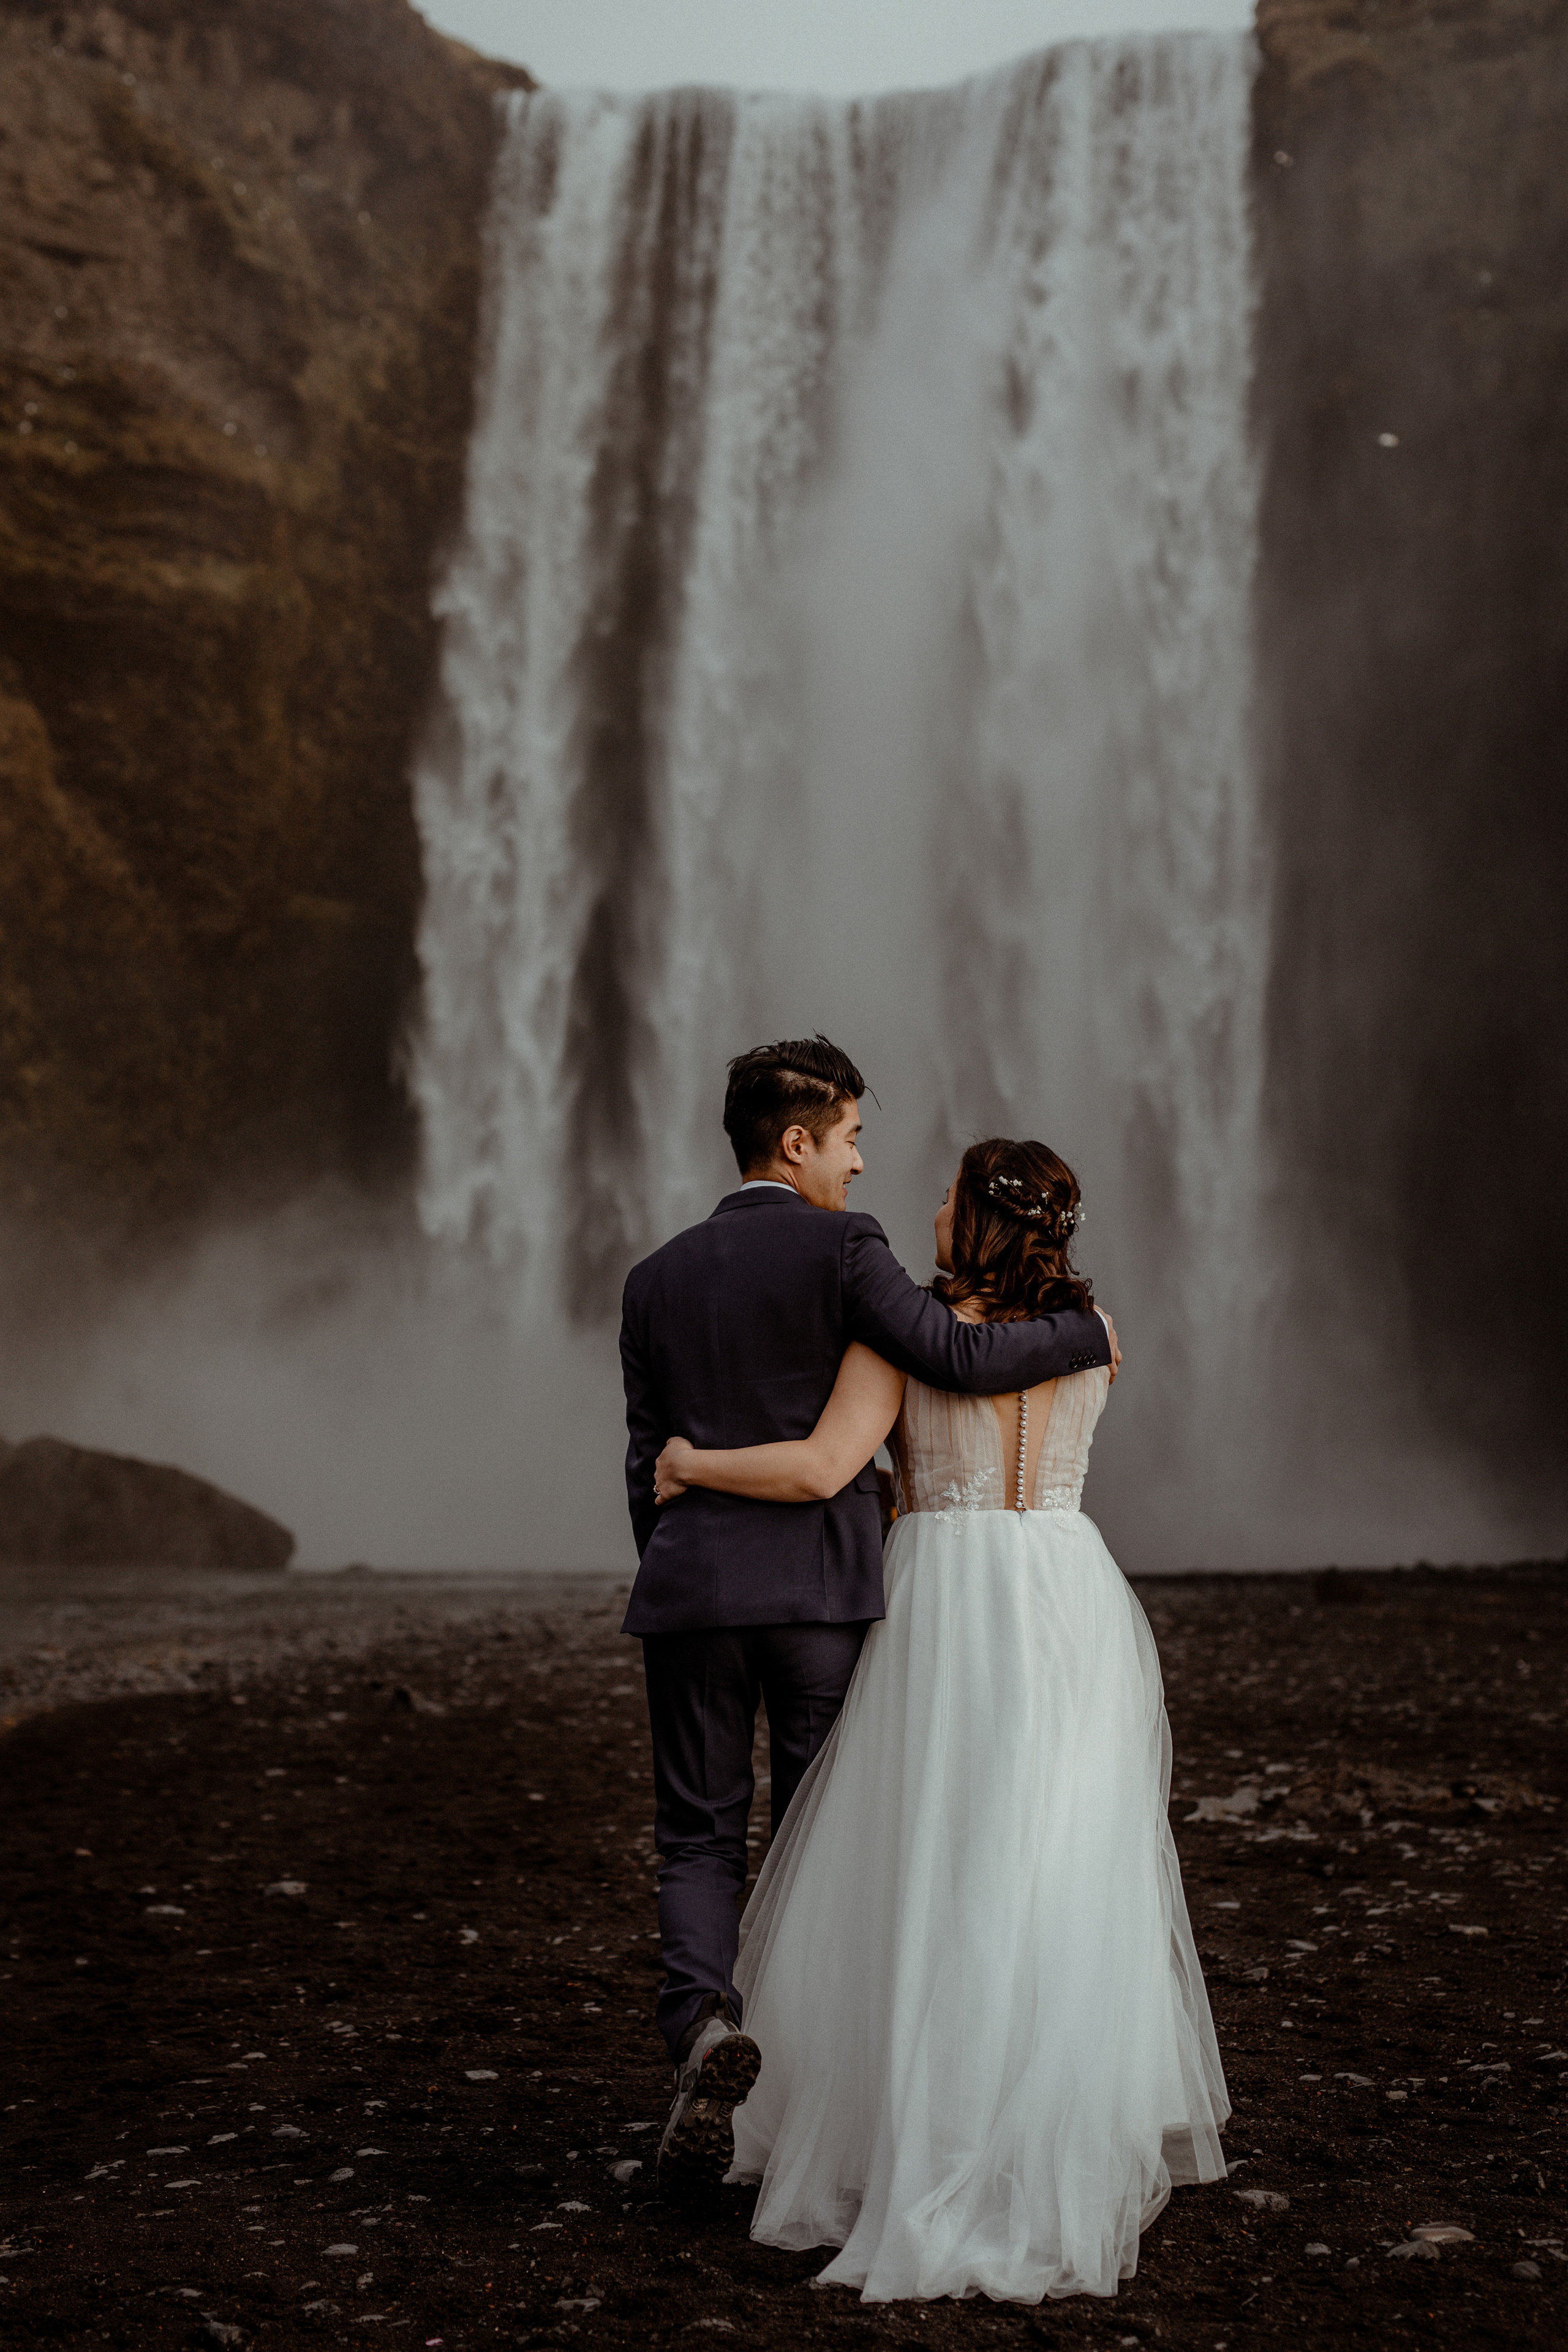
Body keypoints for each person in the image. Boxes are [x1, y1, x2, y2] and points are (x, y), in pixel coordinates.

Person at [652, 1136, 1228, 2303]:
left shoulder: (908, 1334)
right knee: (1051, 1869)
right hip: (1067, 1595)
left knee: (933, 1866)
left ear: (978, 1222)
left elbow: (824, 1469)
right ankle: (1045, 2133)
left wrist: (694, 1463)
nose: (924, 1204)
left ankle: (915, 2132)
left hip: (950, 1602)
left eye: (948, 1196)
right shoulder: (1097, 1336)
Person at [619, 1041, 1119, 2195]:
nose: (860, 1166)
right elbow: (950, 1350)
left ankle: (702, 2031)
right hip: (820, 1597)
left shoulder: (653, 1278)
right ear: (797, 1142)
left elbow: (645, 1462)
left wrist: (682, 1559)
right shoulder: (849, 1248)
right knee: (819, 1848)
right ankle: (817, 2105)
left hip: (692, 1588)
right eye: (849, 1140)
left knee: (697, 1836)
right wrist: (1085, 1331)